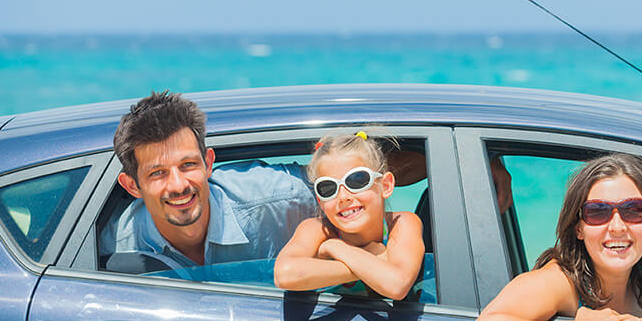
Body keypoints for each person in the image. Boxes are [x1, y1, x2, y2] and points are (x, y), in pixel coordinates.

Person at [102, 91, 513, 274]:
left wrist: (475, 165)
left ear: (209, 162)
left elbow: (351, 178)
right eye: (157, 173)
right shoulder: (109, 247)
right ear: (132, 185)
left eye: (188, 165)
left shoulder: (277, 198)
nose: (178, 185)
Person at [462, 153, 642, 321]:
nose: (618, 227)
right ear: (578, 228)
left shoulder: (641, 278)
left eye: (633, 210)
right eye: (597, 212)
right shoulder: (561, 281)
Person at [274, 132, 425, 300]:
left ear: (386, 185)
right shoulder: (316, 229)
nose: (343, 196)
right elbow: (285, 274)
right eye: (328, 188)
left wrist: (335, 248)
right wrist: (372, 258)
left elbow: (397, 285)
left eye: (357, 180)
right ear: (320, 200)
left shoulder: (402, 223)